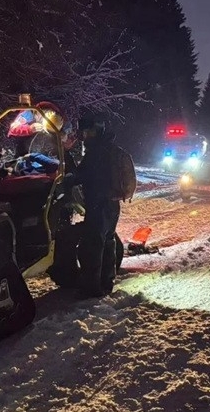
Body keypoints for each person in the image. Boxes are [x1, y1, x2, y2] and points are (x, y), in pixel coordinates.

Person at [69, 116, 120, 298]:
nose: (84, 136)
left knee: (93, 246)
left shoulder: (96, 152)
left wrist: (68, 172)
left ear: (96, 131)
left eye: (87, 132)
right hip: (110, 204)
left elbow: (82, 175)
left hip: (99, 204)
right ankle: (106, 283)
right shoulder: (105, 149)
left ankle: (92, 289)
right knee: (107, 242)